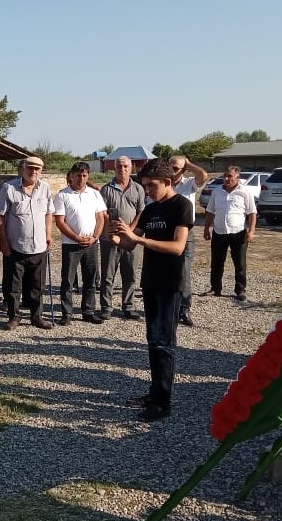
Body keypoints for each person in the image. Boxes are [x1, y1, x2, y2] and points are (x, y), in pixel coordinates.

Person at [110, 163, 194, 421]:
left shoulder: (182, 206)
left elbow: (178, 247)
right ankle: (154, 392)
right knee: (152, 341)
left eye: (152, 186)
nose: (147, 191)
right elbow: (129, 242)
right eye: (145, 186)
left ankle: (162, 403)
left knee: (164, 343)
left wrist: (139, 241)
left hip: (170, 283)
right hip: (151, 281)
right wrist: (118, 236)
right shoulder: (150, 209)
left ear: (168, 181)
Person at [0, 156, 55, 331]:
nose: (33, 172)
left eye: (37, 169)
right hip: (16, 247)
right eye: (30, 168)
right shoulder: (9, 188)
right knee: (14, 286)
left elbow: (48, 214)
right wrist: (3, 241)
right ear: (23, 169)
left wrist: (49, 234)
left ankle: (36, 317)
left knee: (38, 285)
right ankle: (14, 317)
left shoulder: (45, 188)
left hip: (39, 247)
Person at [54, 162, 107, 325]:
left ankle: (88, 311)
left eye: (84, 176)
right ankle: (67, 313)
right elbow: (60, 221)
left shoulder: (95, 194)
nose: (81, 179)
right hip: (71, 244)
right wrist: (76, 237)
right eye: (78, 175)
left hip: (92, 243)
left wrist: (95, 236)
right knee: (68, 280)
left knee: (90, 279)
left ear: (88, 176)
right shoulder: (63, 195)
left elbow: (100, 218)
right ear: (71, 176)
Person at [99, 156, 145, 321]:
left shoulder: (138, 188)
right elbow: (102, 213)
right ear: (114, 168)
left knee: (130, 274)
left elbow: (141, 212)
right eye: (119, 166)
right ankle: (106, 307)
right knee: (107, 275)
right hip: (110, 239)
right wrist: (110, 230)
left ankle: (129, 306)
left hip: (131, 239)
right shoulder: (106, 189)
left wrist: (130, 231)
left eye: (126, 166)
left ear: (131, 167)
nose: (122, 169)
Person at [203, 165, 257, 301]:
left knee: (240, 263)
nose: (226, 178)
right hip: (219, 232)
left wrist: (251, 231)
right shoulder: (217, 192)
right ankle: (215, 288)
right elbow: (210, 211)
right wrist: (206, 229)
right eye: (224, 176)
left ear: (237, 177)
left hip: (238, 233)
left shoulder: (244, 191)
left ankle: (240, 290)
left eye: (229, 176)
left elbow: (252, 213)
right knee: (216, 263)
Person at [169, 155, 208, 325]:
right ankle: (170, 306)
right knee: (167, 271)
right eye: (170, 166)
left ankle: (184, 308)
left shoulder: (189, 183)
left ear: (183, 170)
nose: (172, 170)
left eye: (176, 168)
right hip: (167, 232)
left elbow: (203, 176)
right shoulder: (165, 183)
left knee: (183, 270)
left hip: (186, 231)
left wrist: (188, 163)